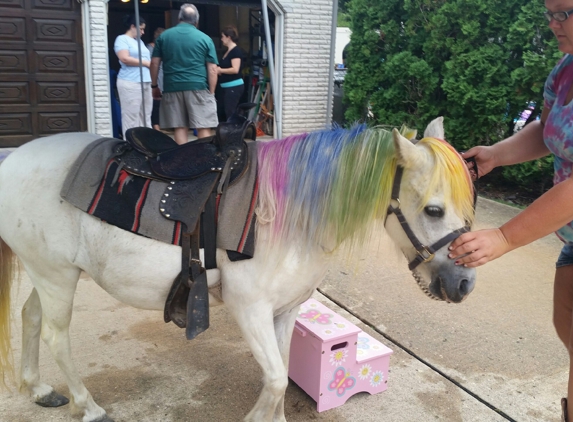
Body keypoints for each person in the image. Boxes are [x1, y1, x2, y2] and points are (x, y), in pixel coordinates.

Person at [448, 2, 573, 420]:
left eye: (566, 12)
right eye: (549, 13)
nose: (554, 24)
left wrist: (503, 237)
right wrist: (495, 156)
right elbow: (547, 127)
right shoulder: (565, 70)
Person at [150, 4, 218, 145]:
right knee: (203, 125)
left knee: (180, 127)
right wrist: (211, 93)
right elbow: (212, 69)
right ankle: (203, 160)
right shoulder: (205, 39)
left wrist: (154, 85)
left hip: (172, 86)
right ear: (196, 21)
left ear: (179, 18)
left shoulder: (164, 37)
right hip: (198, 86)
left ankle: (183, 162)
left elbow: (155, 63)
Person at [114, 15, 152, 139]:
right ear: (132, 26)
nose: (143, 32)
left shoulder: (139, 41)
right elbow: (124, 58)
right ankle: (130, 144)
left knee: (145, 114)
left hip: (145, 81)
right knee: (131, 115)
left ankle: (146, 142)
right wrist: (146, 63)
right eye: (140, 29)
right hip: (130, 81)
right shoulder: (122, 39)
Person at [217, 26, 245, 121]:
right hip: (225, 87)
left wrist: (220, 70)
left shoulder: (236, 51)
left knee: (230, 111)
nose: (221, 39)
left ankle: (234, 132)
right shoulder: (227, 52)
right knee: (225, 110)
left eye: (222, 36)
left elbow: (235, 69)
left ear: (228, 37)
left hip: (233, 87)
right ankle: (228, 131)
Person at [147, 27, 165, 131]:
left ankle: (160, 124)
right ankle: (156, 125)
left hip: (162, 77)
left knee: (161, 102)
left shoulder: (162, 48)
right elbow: (151, 64)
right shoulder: (150, 48)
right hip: (155, 77)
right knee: (155, 102)